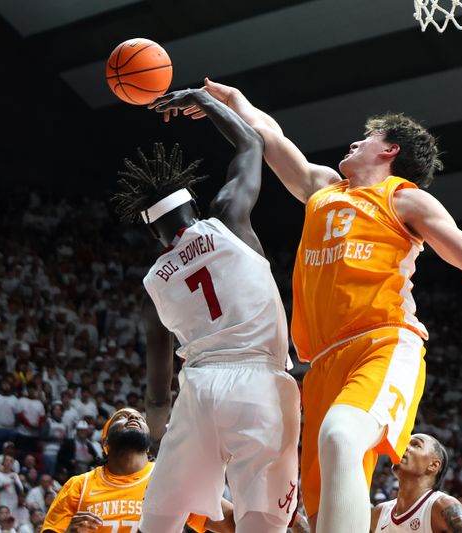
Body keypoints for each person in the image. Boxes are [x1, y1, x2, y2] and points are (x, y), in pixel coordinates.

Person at [179, 78, 462, 533]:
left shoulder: (404, 198)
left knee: (342, 434)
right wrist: (228, 101)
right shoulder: (323, 187)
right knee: (326, 513)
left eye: (368, 138)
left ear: (391, 151)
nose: (355, 141)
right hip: (321, 364)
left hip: (381, 343)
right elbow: (270, 137)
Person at [114, 86, 300, 533]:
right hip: (262, 384)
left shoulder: (152, 285)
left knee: (158, 521)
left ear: (155, 236)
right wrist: (203, 101)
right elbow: (252, 143)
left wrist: (162, 439)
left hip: (198, 389)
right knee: (262, 522)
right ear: (194, 206)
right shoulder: (229, 219)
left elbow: (157, 394)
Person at [42, 407, 233, 533]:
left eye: (140, 418)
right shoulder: (78, 485)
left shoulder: (171, 479)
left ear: (148, 446)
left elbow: (232, 522)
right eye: (121, 417)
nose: (133, 417)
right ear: (106, 443)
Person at [370, 434, 462, 532]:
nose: (404, 447)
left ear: (433, 465)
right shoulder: (378, 514)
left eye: (416, 444)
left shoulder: (442, 505)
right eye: (405, 443)